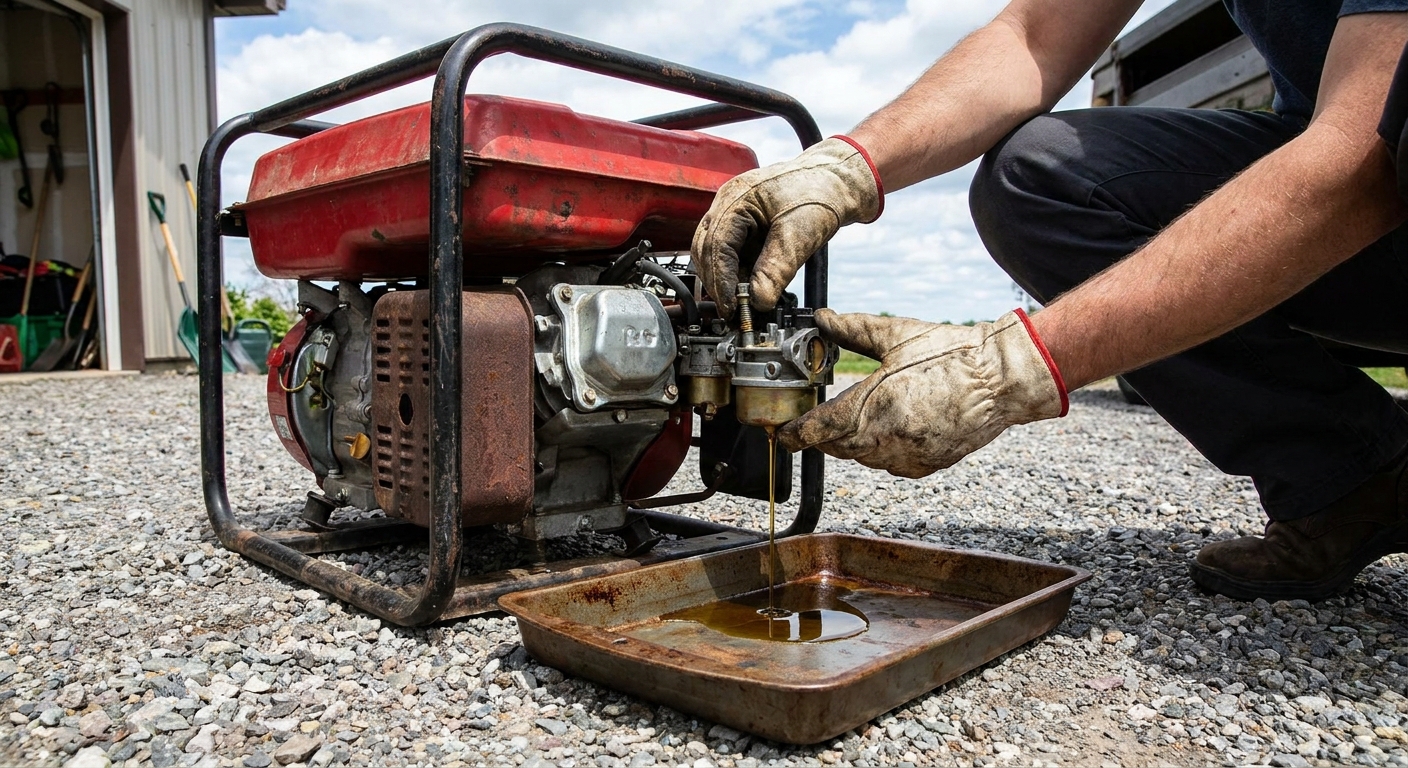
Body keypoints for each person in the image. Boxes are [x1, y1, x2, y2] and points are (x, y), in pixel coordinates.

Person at [691, 0, 1408, 602]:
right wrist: (844, 168)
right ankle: (1349, 480)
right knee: (1041, 177)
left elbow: (1362, 156)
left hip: (1380, 172)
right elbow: (1031, 39)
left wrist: (1003, 372)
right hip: (1351, 200)